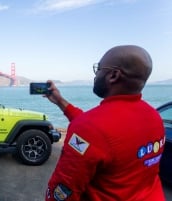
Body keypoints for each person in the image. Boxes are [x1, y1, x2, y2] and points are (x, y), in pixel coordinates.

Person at [44, 45, 165, 201]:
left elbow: (62, 192)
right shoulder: (154, 116)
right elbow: (99, 132)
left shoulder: (91, 127)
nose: (95, 74)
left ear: (114, 75)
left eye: (99, 68)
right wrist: (60, 101)